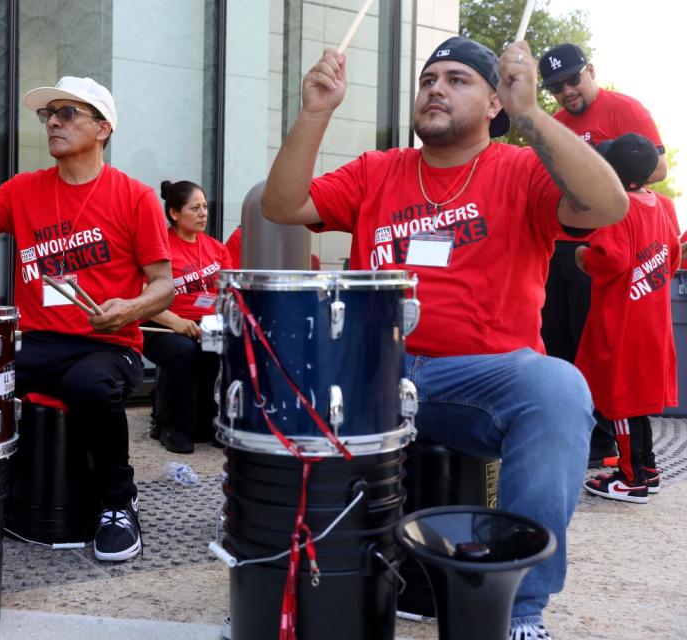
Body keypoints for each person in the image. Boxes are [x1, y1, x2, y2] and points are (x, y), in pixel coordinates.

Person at [262, 36, 628, 639]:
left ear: (493, 104)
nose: (436, 87)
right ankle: (289, 582)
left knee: (559, 388)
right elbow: (282, 204)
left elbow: (607, 206)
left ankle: (519, 611)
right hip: (370, 372)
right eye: (430, 78)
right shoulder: (379, 169)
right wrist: (315, 111)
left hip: (478, 380)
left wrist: (533, 115)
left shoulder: (520, 168)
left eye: (458, 79)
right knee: (270, 365)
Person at [0, 76, 173, 562]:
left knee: (89, 384)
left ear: (103, 128)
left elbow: (163, 284)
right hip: (38, 339)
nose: (53, 122)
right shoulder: (24, 190)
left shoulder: (135, 196)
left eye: (67, 113)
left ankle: (118, 503)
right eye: (48, 114)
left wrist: (130, 308)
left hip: (110, 345)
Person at [538, 43, 668, 465]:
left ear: (590, 70)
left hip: (603, 245)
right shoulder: (554, 123)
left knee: (594, 347)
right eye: (556, 87)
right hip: (557, 245)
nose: (566, 91)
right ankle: (565, 431)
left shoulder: (625, 109)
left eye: (573, 79)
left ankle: (605, 441)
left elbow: (659, 169)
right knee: (555, 344)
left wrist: (602, 169)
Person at [575, 133, 679, 503]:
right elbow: (672, 258)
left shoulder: (616, 210)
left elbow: (612, 260)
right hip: (652, 322)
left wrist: (584, 258)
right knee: (638, 403)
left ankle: (631, 478)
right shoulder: (664, 206)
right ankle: (647, 469)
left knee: (620, 403)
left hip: (620, 324)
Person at [144, 180, 231, 454]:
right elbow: (146, 300)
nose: (203, 213)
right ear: (174, 214)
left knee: (225, 348)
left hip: (206, 324)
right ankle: (171, 427)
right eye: (195, 208)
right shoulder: (160, 249)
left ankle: (214, 423)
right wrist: (178, 323)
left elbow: (229, 296)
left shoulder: (218, 249)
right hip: (162, 323)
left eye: (204, 206)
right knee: (183, 351)